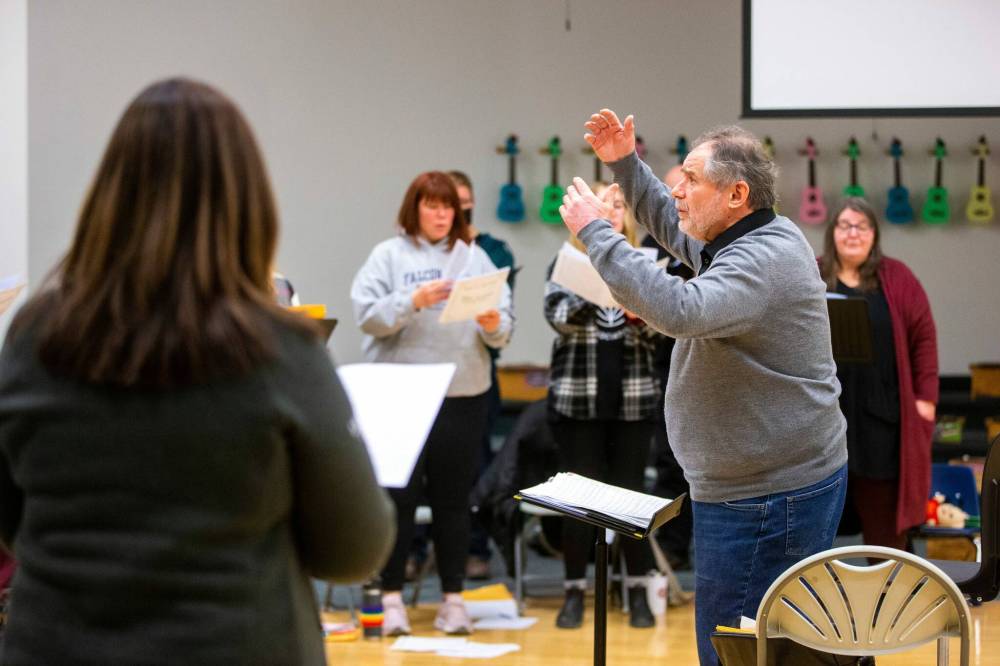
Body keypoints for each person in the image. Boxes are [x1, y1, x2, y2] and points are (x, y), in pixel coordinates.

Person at [0, 78, 395, 665]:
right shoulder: (280, 347)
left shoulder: (35, 335)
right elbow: (353, 549)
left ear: (110, 194)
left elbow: (11, 521)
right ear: (247, 201)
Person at [560, 109, 848, 666]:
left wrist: (598, 233)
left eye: (691, 179)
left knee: (737, 651)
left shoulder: (763, 259)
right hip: (750, 486)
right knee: (743, 647)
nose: (678, 190)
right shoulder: (743, 237)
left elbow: (678, 309)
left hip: (768, 495)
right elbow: (672, 227)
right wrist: (625, 164)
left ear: (737, 194)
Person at [351, 171, 513, 636]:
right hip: (400, 393)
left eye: (449, 207)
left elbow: (503, 327)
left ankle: (453, 599)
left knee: (453, 501)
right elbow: (367, 316)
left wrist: (492, 323)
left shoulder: (475, 257)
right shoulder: (389, 255)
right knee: (398, 499)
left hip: (461, 391)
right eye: (432, 206)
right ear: (415, 208)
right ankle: (390, 598)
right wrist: (413, 299)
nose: (442, 215)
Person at [545, 182, 661, 629]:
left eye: (617, 204)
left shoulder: (643, 264)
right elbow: (557, 317)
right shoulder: (565, 261)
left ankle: (637, 593)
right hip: (579, 401)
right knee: (580, 499)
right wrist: (593, 287)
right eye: (600, 203)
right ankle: (575, 592)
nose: (610, 211)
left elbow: (664, 327)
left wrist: (640, 312)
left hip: (632, 400)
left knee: (631, 498)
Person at [819, 198, 938, 549]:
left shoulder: (897, 276)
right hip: (826, 414)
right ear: (833, 232)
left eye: (862, 226)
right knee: (820, 516)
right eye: (845, 225)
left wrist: (926, 399)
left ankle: (892, 580)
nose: (853, 233)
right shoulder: (812, 273)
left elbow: (924, 337)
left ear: (874, 234)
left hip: (881, 416)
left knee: (884, 522)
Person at [447, 170, 516, 580]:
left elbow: (500, 304)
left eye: (464, 202)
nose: (459, 209)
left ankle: (476, 548)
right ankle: (419, 549)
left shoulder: (490, 250)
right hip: (430, 374)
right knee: (423, 466)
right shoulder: (416, 253)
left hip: (476, 372)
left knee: (476, 464)